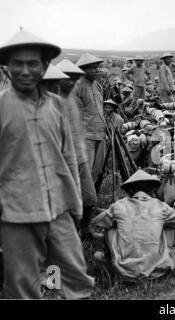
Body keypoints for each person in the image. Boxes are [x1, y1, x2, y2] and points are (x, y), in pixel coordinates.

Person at [0, 28, 94, 299]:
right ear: (7, 67)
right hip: (17, 213)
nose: (25, 71)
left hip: (59, 209)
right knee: (23, 286)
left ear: (44, 67)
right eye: (17, 64)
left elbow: (68, 158)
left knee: (77, 277)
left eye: (33, 63)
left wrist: (75, 202)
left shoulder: (56, 106)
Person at [90, 170, 175, 279]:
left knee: (109, 227)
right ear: (151, 190)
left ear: (130, 190)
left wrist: (113, 210)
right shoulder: (161, 206)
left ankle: (108, 257)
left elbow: (97, 222)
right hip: (156, 269)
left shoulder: (119, 205)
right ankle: (163, 257)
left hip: (125, 269)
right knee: (170, 224)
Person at [56, 58, 98, 234]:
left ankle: (85, 229)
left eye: (74, 77)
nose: (71, 81)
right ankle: (71, 236)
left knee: (90, 197)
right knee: (67, 202)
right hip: (62, 161)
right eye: (67, 77)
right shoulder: (52, 101)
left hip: (79, 157)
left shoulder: (72, 99)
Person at [74, 52, 106, 182]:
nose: (96, 70)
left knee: (97, 170)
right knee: (85, 171)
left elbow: (100, 109)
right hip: (86, 136)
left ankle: (90, 199)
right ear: (82, 70)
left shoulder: (97, 85)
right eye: (91, 68)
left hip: (101, 133)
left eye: (97, 67)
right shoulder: (77, 87)